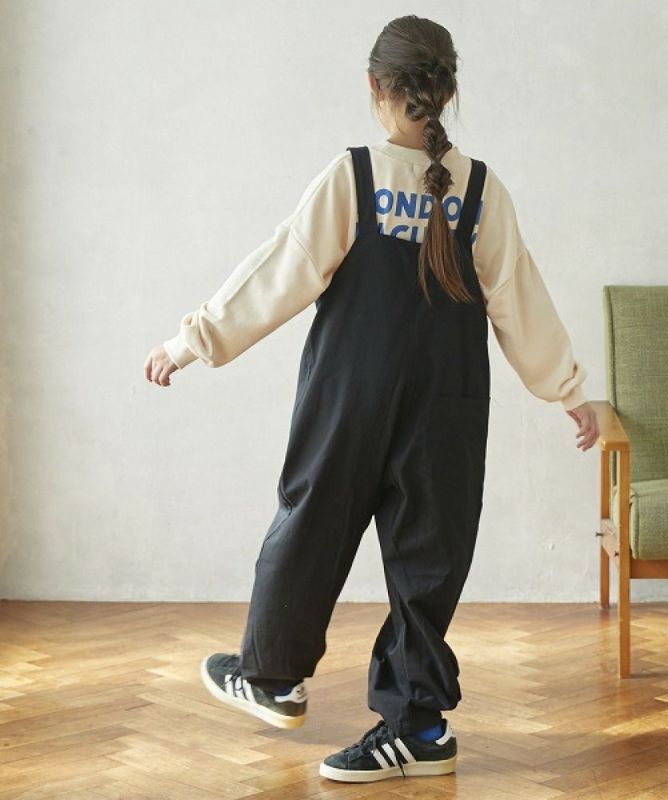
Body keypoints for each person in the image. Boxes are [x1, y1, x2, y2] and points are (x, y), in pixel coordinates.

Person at [144, 14, 598, 784]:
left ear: (374, 87)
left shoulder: (354, 176)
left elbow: (280, 272)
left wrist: (192, 341)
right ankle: (418, 726)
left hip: (348, 396)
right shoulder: (481, 190)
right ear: (447, 91)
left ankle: (271, 675)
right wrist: (568, 391)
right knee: (430, 554)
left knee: (312, 519)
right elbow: (521, 300)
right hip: (449, 404)